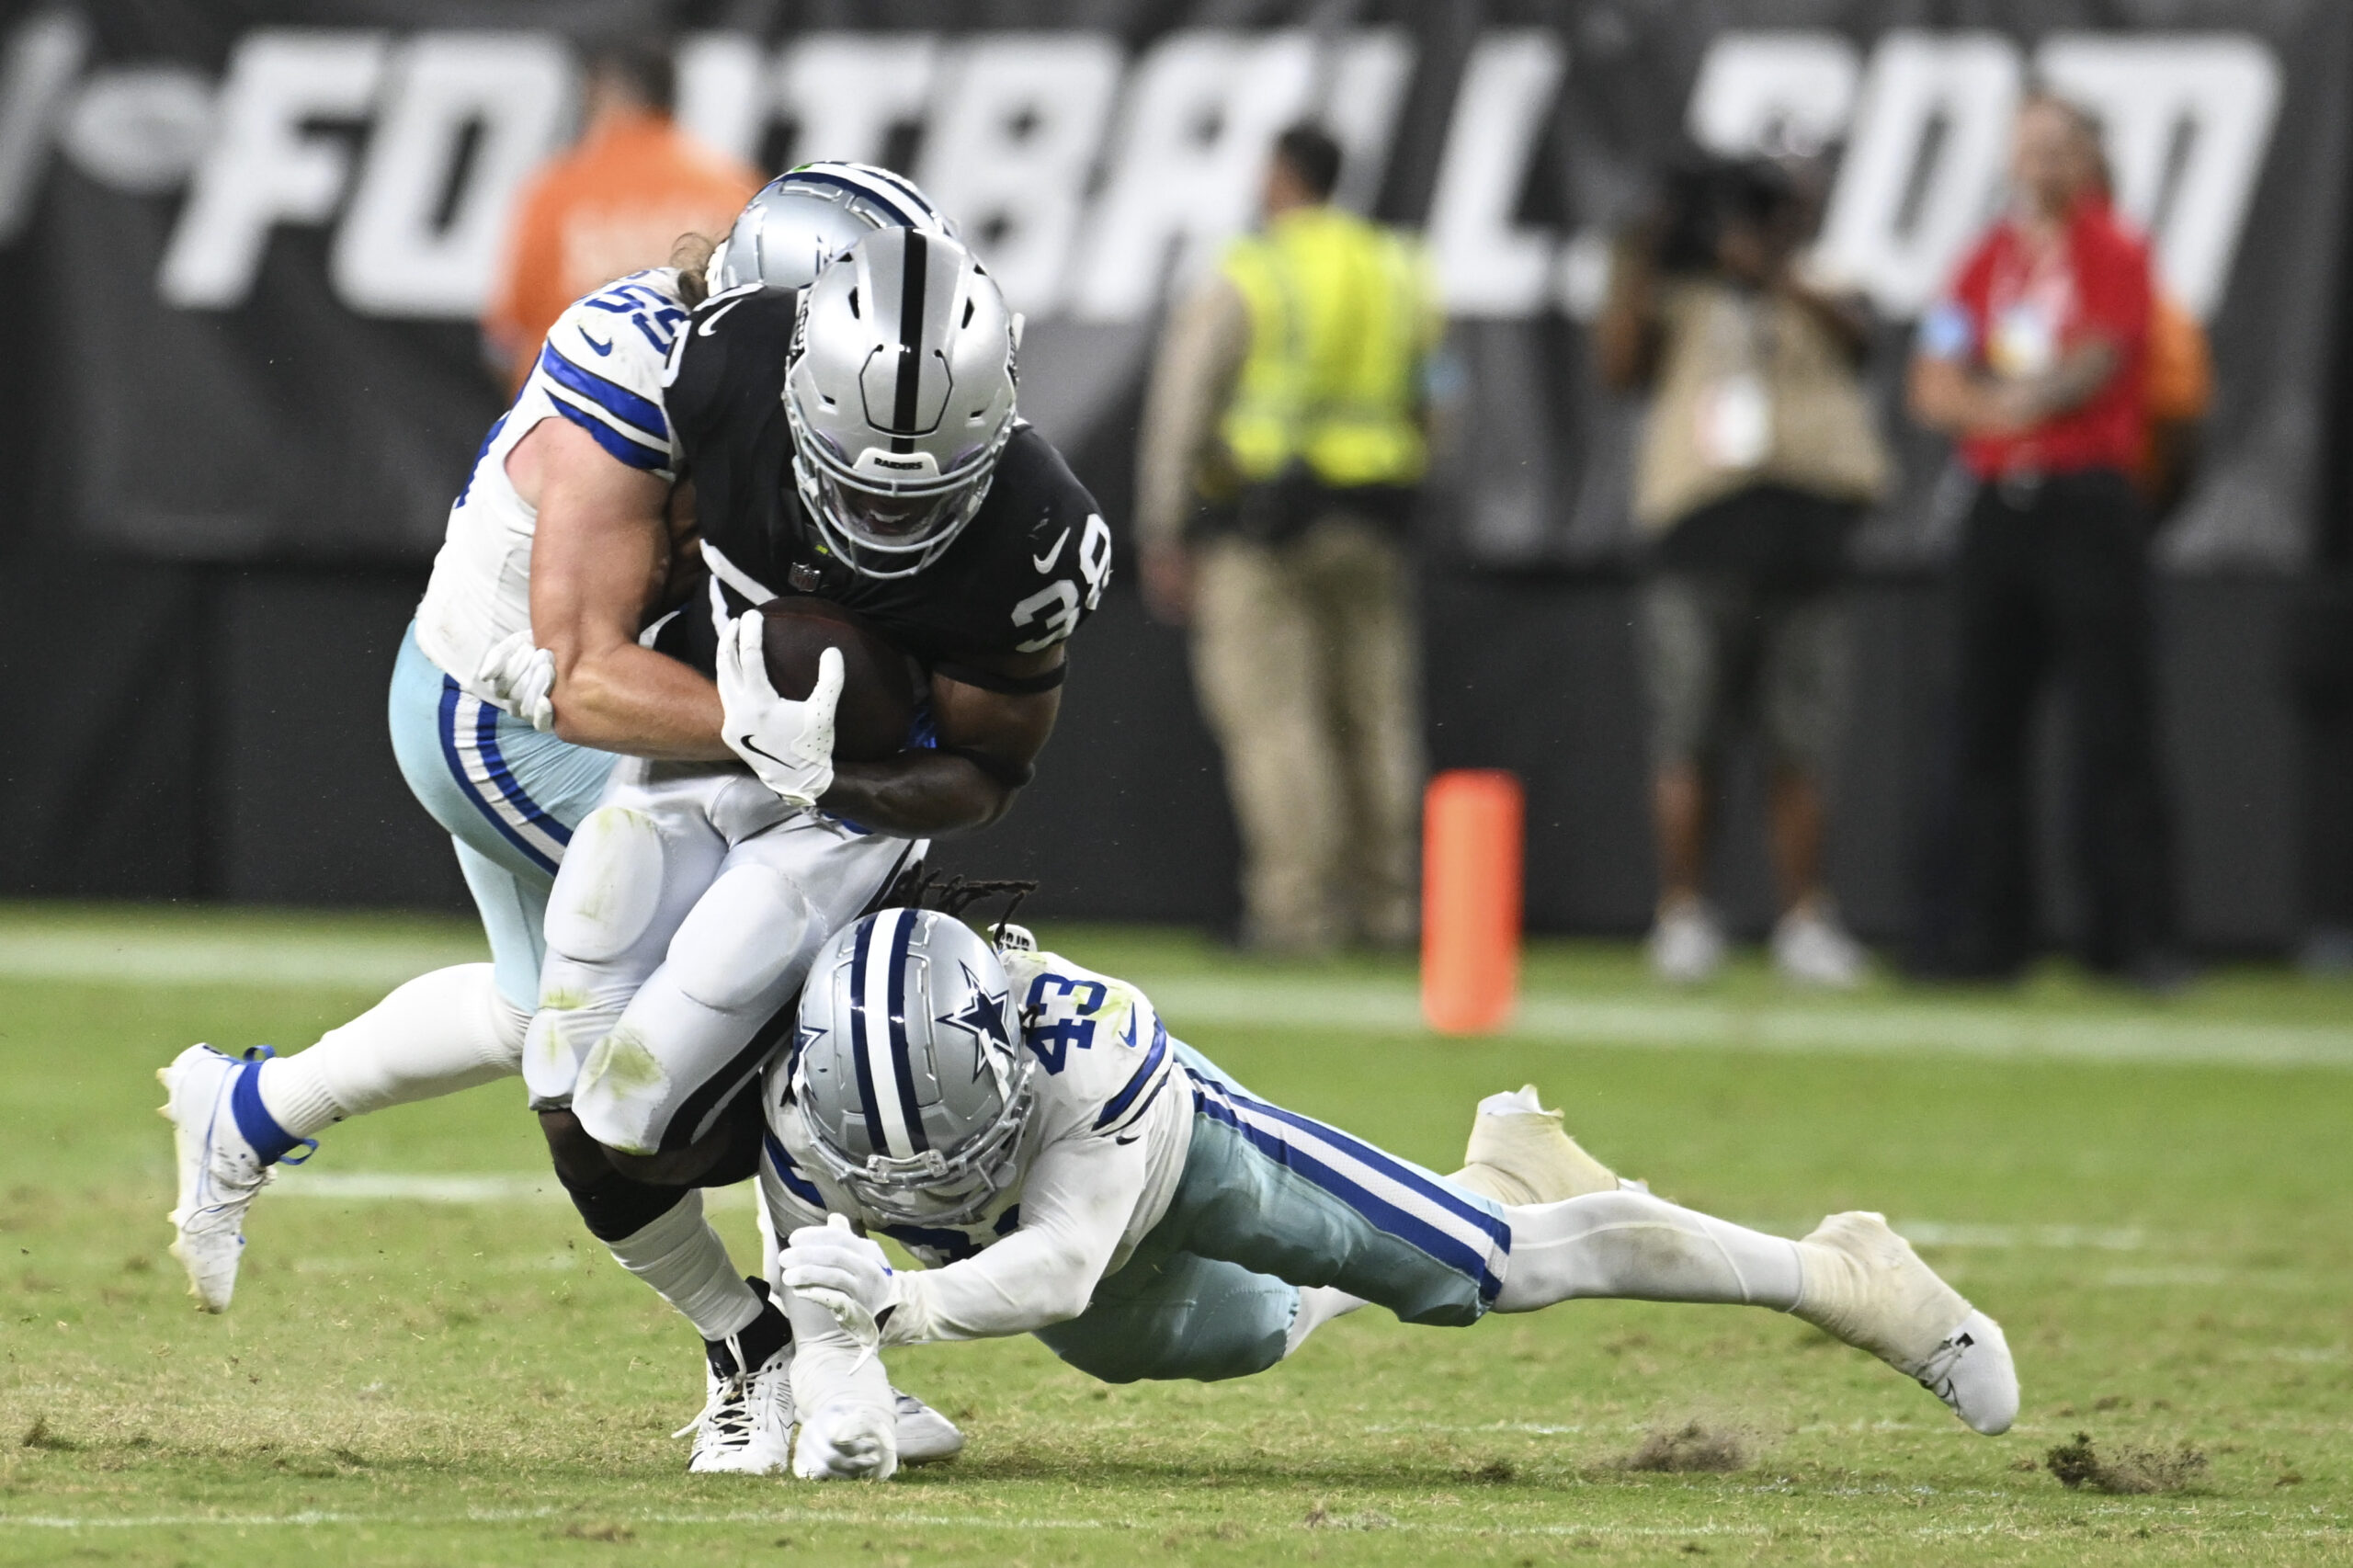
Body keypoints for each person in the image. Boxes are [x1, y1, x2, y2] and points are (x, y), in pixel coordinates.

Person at [156, 166, 988, 1472]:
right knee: (772, 983)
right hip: (519, 711)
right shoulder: (641, 375)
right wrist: (777, 730)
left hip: (600, 698)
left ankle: (249, 1109)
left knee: (538, 1006)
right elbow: (583, 667)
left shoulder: (819, 391)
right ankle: (804, 1354)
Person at [754, 907, 2018, 1481]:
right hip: (1042, 1256)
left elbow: (1064, 1259)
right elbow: (825, 1297)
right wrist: (848, 1387)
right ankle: (1503, 1169)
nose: (941, 1183)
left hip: (1185, 1156)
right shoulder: (801, 1107)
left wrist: (901, 1308)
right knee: (1246, 1332)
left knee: (1491, 1267)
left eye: (962, 1144)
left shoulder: (1090, 1051)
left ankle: (1848, 1273)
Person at [1135, 123, 1441, 956]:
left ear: (1280, 177)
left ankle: (1297, 911)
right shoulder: (1398, 271)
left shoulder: (1253, 273)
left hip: (1262, 527)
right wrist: (1415, 467)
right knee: (1376, 718)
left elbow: (1185, 402)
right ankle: (1389, 908)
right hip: (1375, 519)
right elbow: (1442, 387)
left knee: (1276, 721)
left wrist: (1164, 525)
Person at [1597, 155, 1889, 988]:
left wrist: (1776, 274)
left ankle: (1804, 918)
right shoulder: (1680, 290)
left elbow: (1863, 338)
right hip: (1699, 532)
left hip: (1806, 537)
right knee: (1687, 735)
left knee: (1801, 740)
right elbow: (1620, 365)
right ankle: (1683, 914)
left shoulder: (1827, 281)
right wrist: (1649, 248)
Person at [1908, 94, 2177, 983]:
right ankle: (1985, 936)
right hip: (1996, 501)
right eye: (2030, 149)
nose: (2044, 165)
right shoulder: (1982, 260)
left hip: (2086, 498)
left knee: (2112, 721)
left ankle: (2128, 936)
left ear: (2084, 160)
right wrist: (1994, 414)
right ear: (2009, 159)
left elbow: (2097, 358)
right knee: (1980, 722)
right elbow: (1931, 377)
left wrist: (1996, 409)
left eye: (2060, 149)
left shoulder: (2116, 249)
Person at [481, 38, 761, 395]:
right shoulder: (732, 185)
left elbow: (507, 336)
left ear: (605, 91)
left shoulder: (559, 189)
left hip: (572, 413)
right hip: (700, 423)